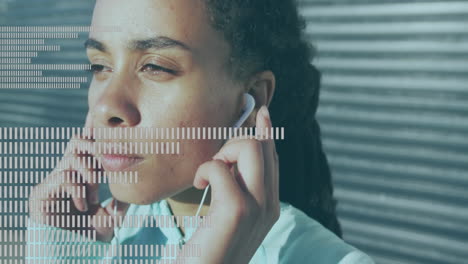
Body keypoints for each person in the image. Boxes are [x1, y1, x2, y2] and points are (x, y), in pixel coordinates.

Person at [26, 0, 374, 263]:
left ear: (251, 100)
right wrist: (65, 254)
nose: (106, 106)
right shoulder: (100, 235)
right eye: (100, 66)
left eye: (155, 67)